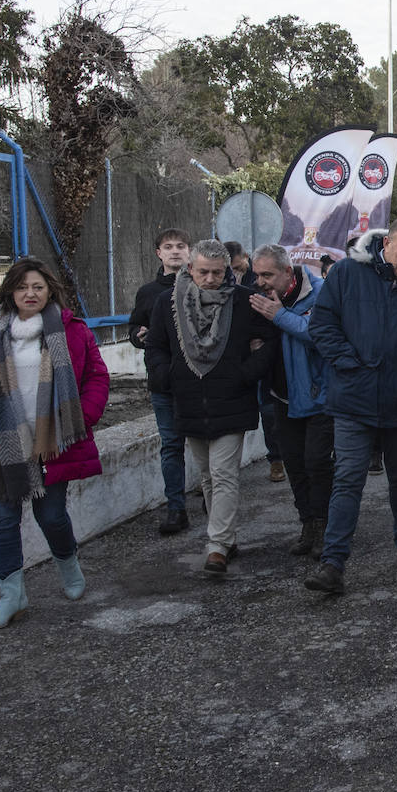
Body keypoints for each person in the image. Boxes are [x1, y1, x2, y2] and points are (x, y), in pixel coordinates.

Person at [0, 259, 109, 630]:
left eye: (37, 287)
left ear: (49, 290)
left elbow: (97, 378)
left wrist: (80, 418)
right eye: (22, 287)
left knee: (51, 515)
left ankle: (68, 562)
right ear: (10, 290)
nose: (30, 294)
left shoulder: (72, 331)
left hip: (51, 441)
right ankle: (12, 596)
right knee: (2, 520)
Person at [303, 219, 397, 595]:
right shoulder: (347, 275)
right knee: (348, 479)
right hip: (354, 398)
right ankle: (333, 564)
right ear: (387, 243)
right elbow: (322, 325)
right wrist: (347, 363)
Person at [146, 239, 277, 576]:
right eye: (203, 272)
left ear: (228, 272)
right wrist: (168, 377)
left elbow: (271, 340)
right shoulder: (168, 304)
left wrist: (244, 374)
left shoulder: (244, 303)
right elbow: (156, 347)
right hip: (189, 402)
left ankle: (216, 547)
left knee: (223, 474)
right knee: (207, 474)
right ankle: (227, 538)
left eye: (217, 273)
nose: (210, 279)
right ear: (191, 269)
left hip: (232, 401)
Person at [249, 244, 333, 557]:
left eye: (267, 274)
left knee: (317, 463)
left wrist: (279, 316)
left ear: (287, 271)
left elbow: (320, 334)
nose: (261, 282)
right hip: (280, 397)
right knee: (295, 465)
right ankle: (308, 523)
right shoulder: (259, 298)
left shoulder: (321, 292)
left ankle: (326, 525)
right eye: (257, 275)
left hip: (318, 396)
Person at [127, 228, 192, 535]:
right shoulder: (148, 293)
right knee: (171, 446)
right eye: (169, 247)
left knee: (205, 445)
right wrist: (141, 337)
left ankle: (209, 498)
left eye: (181, 246)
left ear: (190, 251)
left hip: (198, 383)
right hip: (163, 384)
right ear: (159, 253)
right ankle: (176, 508)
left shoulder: (201, 285)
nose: (175, 251)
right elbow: (135, 329)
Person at [225, 241, 282, 482]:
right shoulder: (229, 284)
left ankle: (276, 459)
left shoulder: (258, 284)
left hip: (264, 365)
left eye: (238, 268)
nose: (236, 273)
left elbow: (270, 328)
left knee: (269, 413)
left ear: (245, 259)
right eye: (231, 270)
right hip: (241, 364)